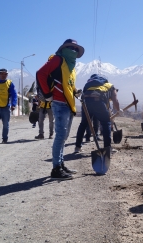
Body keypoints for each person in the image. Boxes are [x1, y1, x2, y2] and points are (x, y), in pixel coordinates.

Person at [36, 39, 84, 180]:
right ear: (64, 48)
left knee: (64, 136)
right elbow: (41, 73)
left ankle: (61, 164)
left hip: (68, 104)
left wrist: (75, 91)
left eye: (76, 49)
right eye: (71, 48)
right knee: (60, 136)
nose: (74, 51)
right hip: (59, 103)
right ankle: (56, 168)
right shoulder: (57, 59)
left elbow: (67, 83)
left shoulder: (70, 67)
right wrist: (47, 94)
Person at [74, 74, 122, 153]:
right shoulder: (109, 85)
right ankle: (107, 148)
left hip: (86, 103)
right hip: (98, 102)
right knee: (106, 123)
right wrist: (118, 110)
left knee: (83, 124)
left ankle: (77, 147)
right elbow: (115, 99)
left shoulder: (88, 85)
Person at [0, 68, 17, 145]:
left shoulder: (10, 83)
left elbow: (14, 95)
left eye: (5, 74)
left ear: (7, 75)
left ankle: (5, 139)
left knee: (6, 124)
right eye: (2, 74)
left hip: (5, 108)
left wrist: (13, 104)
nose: (3, 75)